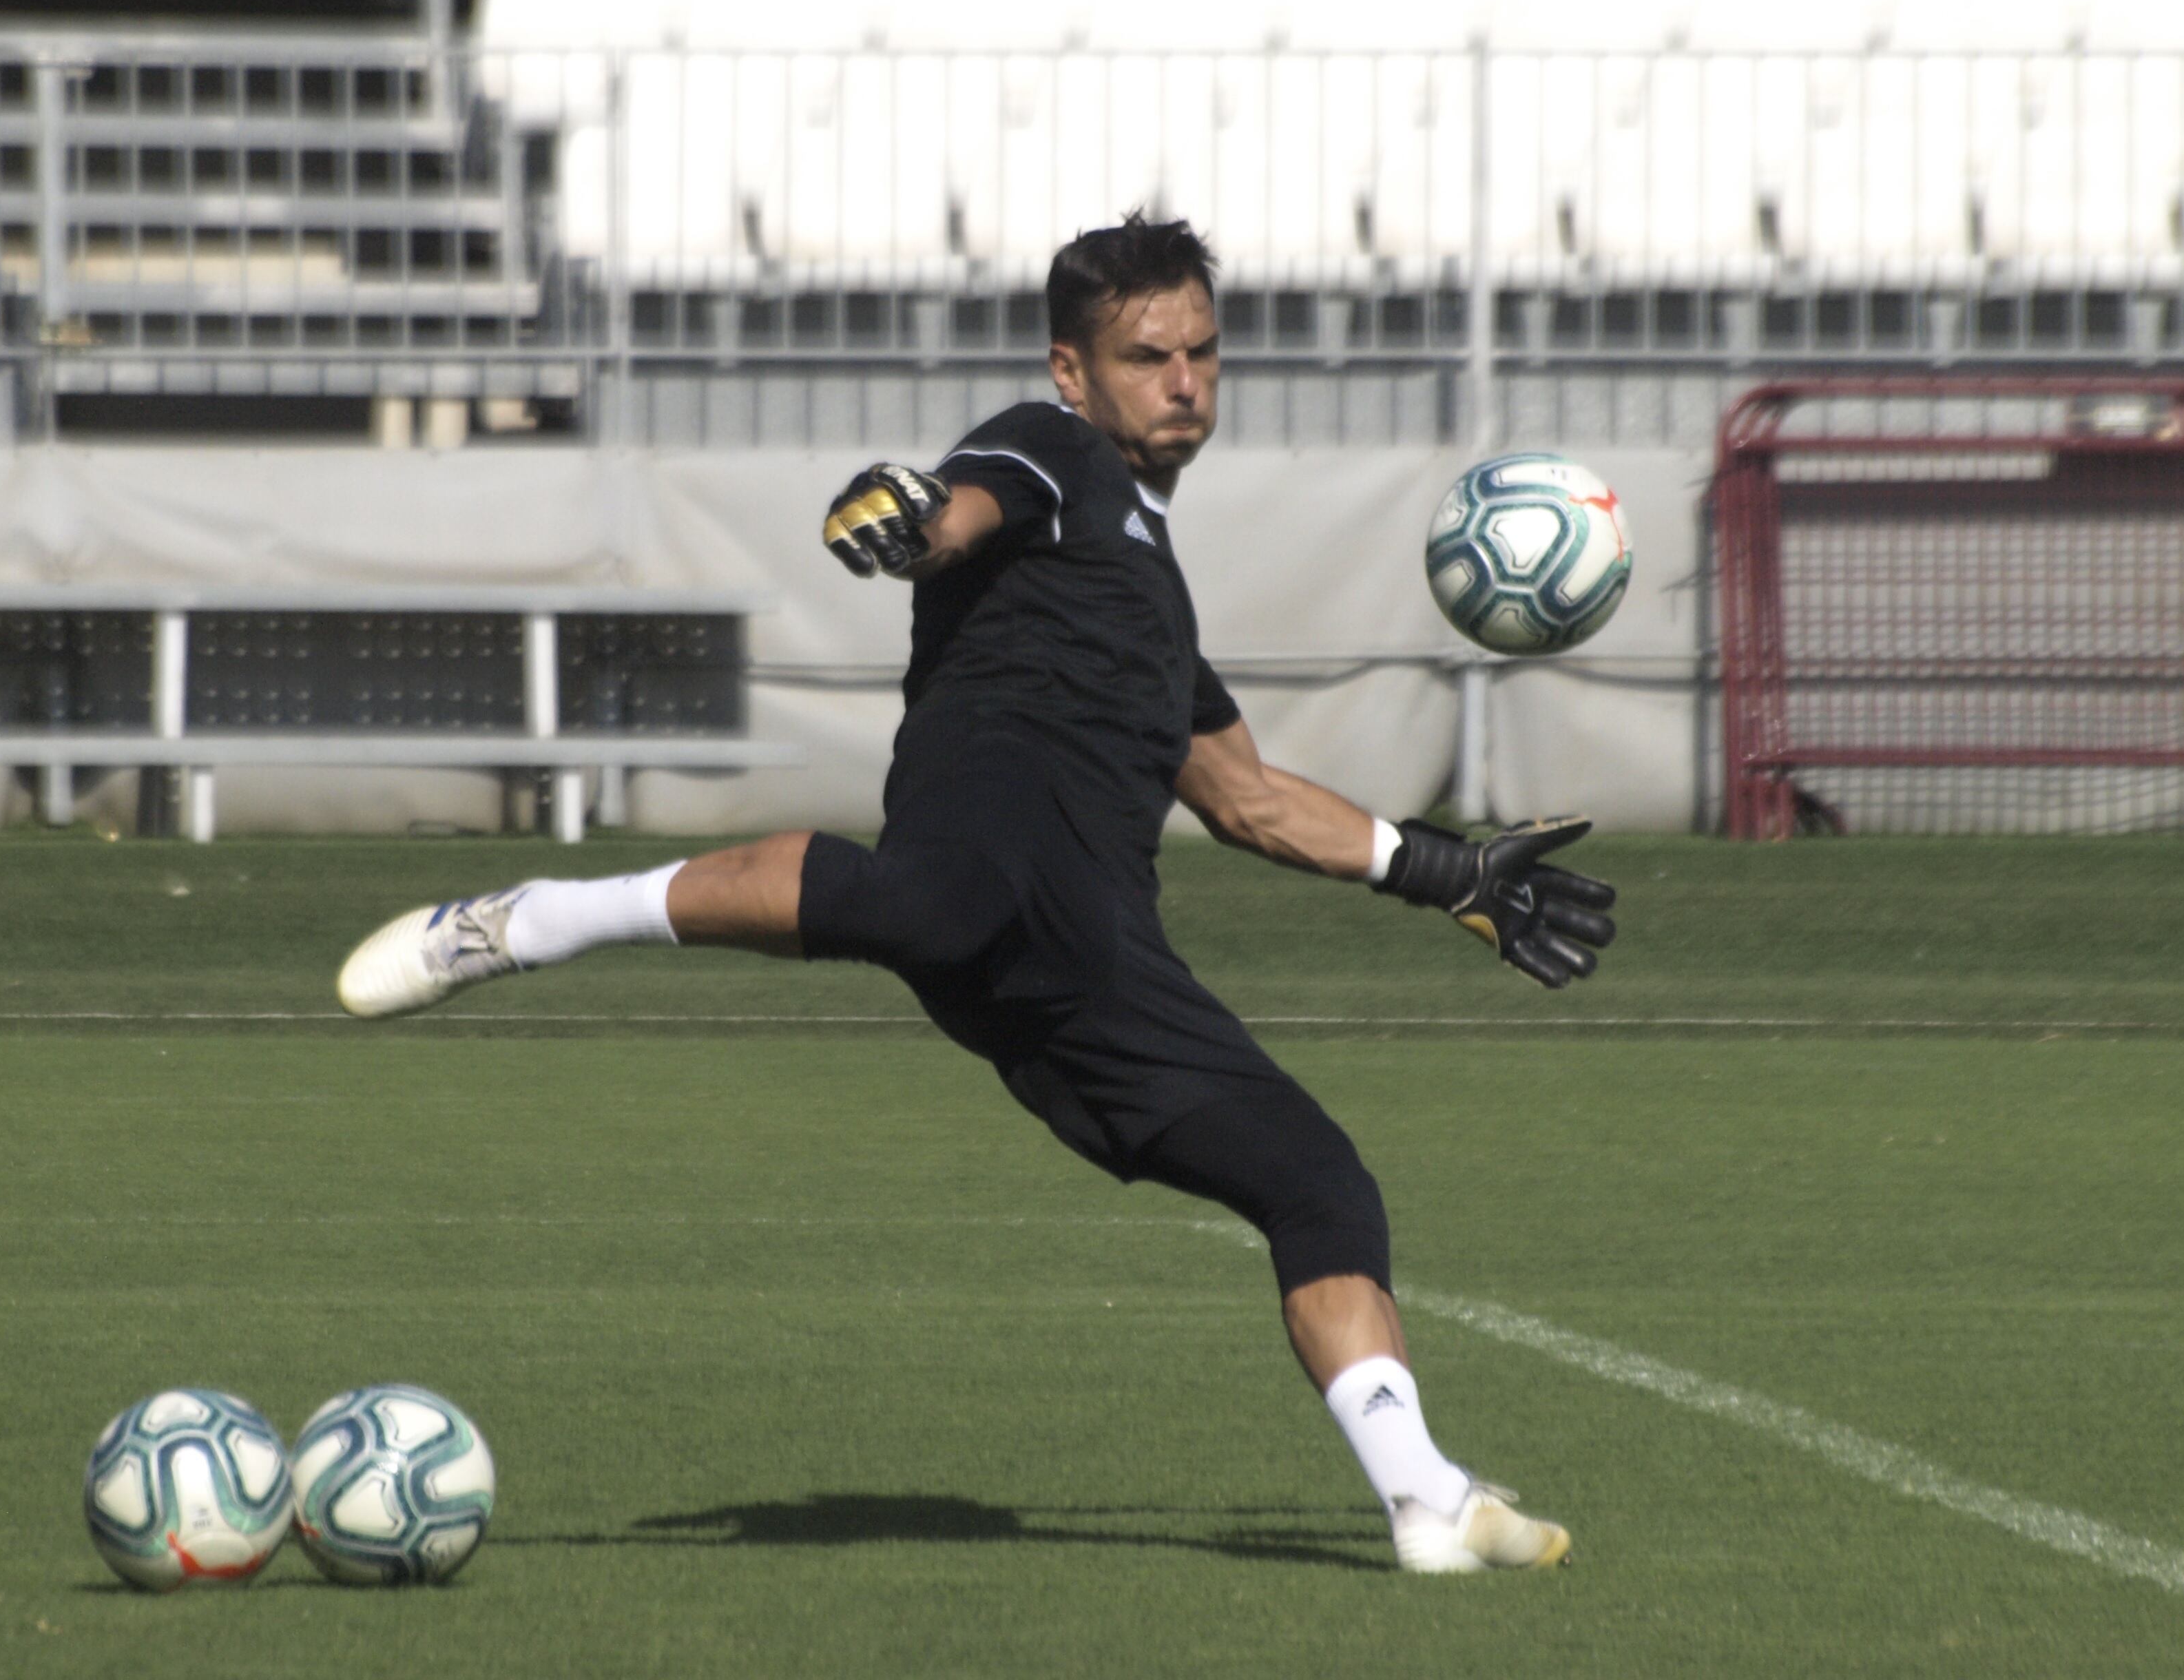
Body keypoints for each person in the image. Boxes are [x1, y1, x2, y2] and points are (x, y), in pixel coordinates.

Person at [335, 214, 1617, 1574]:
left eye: (1202, 352)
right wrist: (906, 519)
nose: (1184, 380)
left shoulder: (1154, 599)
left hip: (1095, 945)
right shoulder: (1053, 450)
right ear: (1074, 369)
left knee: (1318, 1183)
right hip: (985, 816)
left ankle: (1424, 1497)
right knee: (940, 906)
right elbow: (958, 513)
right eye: (1147, 356)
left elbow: (1247, 801)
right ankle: (533, 918)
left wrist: (1447, 871)